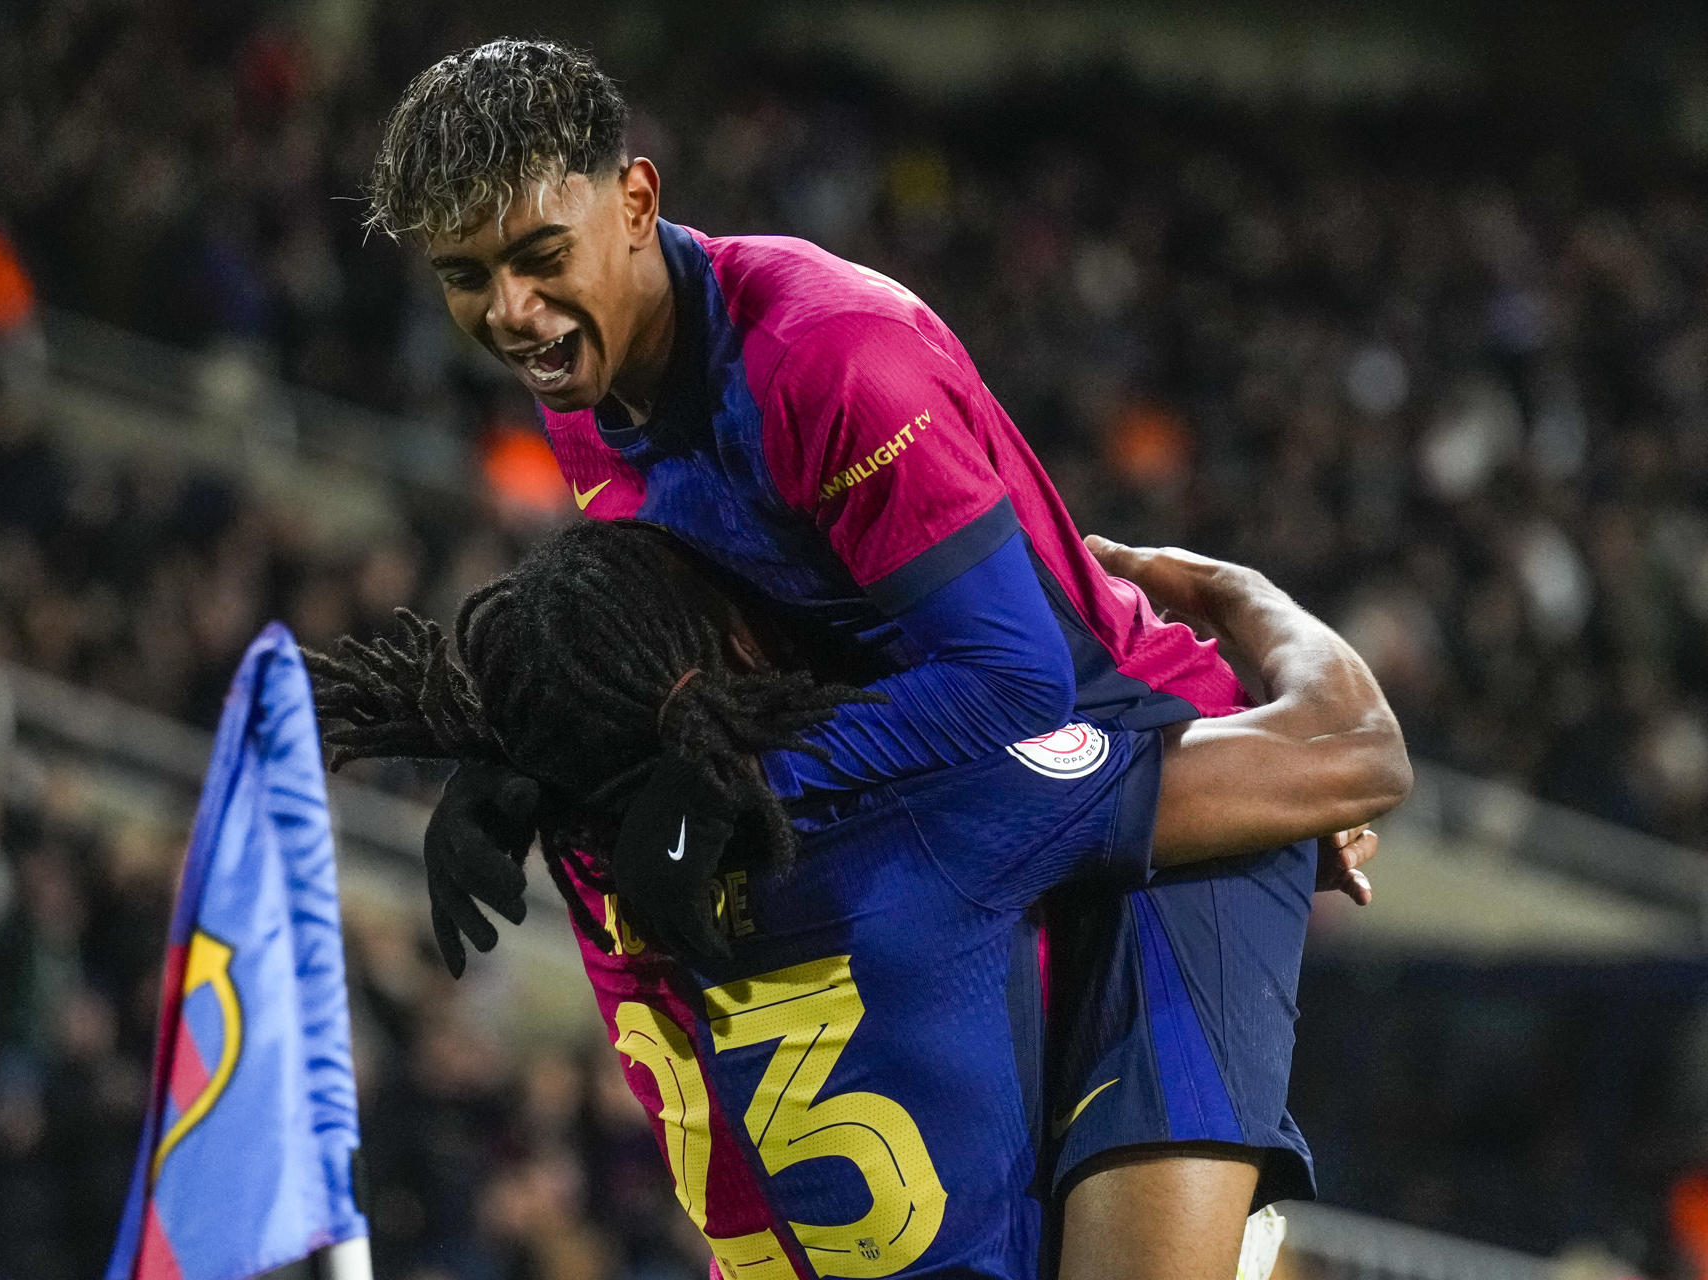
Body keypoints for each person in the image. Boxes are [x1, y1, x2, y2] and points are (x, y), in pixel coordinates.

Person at [364, 39, 1396, 1277]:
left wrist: (750, 787)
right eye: (465, 277)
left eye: (539, 258)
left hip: (1129, 773)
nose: (512, 313)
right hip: (972, 812)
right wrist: (526, 761)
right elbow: (693, 642)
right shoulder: (580, 381)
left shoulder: (828, 356)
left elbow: (1019, 684)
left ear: (635, 201)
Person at [310, 520, 1408, 1280]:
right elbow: (1356, 750)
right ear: (726, 654)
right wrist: (1233, 592)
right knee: (1224, 873)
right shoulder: (926, 813)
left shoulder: (598, 868)